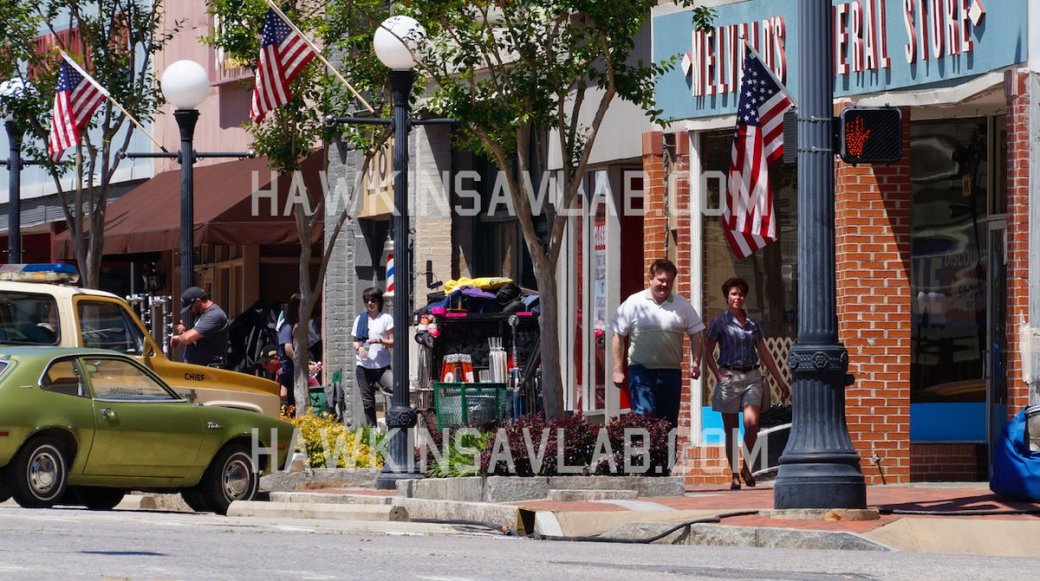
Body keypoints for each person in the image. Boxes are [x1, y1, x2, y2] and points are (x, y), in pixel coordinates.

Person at [703, 277, 791, 490]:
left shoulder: (753, 324)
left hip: (752, 376)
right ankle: (734, 474)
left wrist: (780, 380)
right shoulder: (719, 322)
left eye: (741, 294)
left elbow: (764, 353)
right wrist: (717, 373)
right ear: (727, 297)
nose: (737, 298)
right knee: (731, 430)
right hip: (729, 377)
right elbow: (707, 351)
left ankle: (746, 467)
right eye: (733, 294)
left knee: (752, 425)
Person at [612, 259, 704, 432]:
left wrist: (696, 362)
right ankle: (644, 458)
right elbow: (618, 335)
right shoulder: (634, 302)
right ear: (650, 279)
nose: (664, 284)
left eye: (669, 281)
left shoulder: (682, 305)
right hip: (641, 371)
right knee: (643, 417)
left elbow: (696, 335)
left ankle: (667, 459)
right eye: (661, 280)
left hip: (671, 373)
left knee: (668, 423)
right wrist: (618, 369)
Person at [352, 287, 393, 426]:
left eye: (373, 300)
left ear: (379, 301)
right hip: (363, 367)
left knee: (394, 391)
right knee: (368, 402)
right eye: (366, 300)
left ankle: (393, 426)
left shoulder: (386, 318)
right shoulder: (360, 319)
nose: (370, 303)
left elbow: (393, 342)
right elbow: (355, 341)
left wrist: (380, 340)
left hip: (382, 367)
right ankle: (372, 433)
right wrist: (359, 348)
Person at [171, 287, 229, 368]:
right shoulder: (203, 314)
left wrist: (178, 338)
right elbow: (198, 339)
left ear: (198, 301)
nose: (190, 311)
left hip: (208, 371)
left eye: (191, 307)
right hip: (197, 370)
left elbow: (187, 338)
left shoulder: (214, 315)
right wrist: (185, 331)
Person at [276, 294, 301, 411]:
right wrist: (301, 363)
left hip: (294, 370)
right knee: (290, 402)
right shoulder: (286, 326)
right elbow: (288, 349)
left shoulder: (295, 325)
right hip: (289, 371)